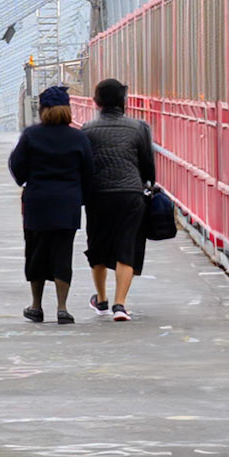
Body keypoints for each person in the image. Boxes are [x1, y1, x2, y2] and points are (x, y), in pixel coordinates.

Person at [7, 85, 95, 325]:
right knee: (62, 254)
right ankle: (62, 308)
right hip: (67, 203)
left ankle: (36, 306)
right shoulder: (79, 138)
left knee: (36, 252)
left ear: (43, 110)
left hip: (37, 202)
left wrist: (26, 181)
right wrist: (80, 198)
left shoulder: (31, 135)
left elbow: (16, 166)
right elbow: (89, 172)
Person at [82, 77, 156, 323]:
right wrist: (146, 184)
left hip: (98, 194)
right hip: (129, 193)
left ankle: (101, 300)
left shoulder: (87, 129)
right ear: (123, 100)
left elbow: (84, 165)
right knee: (127, 246)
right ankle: (120, 305)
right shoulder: (139, 128)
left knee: (97, 246)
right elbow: (147, 165)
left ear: (97, 102)